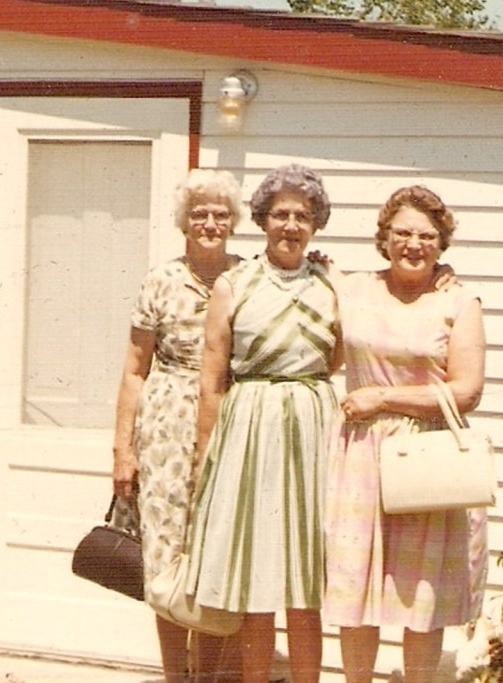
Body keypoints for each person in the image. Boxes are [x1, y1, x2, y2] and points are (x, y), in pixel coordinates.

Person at [185, 164, 342, 683]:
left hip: (313, 431)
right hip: (249, 432)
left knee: (306, 582)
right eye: (280, 215)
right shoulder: (235, 284)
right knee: (258, 580)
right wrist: (206, 455)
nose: (290, 226)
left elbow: (340, 356)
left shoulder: (332, 283)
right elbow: (211, 377)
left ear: (316, 223)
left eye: (302, 216)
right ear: (262, 221)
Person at [323, 185, 488, 683]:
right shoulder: (351, 288)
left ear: (442, 243)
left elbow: (466, 391)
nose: (413, 244)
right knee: (356, 585)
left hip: (426, 457)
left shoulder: (458, 301)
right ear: (384, 238)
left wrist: (383, 398)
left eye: (426, 235)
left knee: (422, 593)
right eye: (402, 233)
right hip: (359, 454)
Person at [111, 168, 244, 683]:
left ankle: (206, 677)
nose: (209, 222)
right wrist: (123, 449)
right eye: (199, 213)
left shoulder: (248, 277)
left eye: (219, 213)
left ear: (233, 221)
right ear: (183, 221)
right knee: (165, 557)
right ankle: (175, 676)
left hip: (228, 424)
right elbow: (133, 369)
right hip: (165, 427)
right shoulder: (160, 280)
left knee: (213, 555)